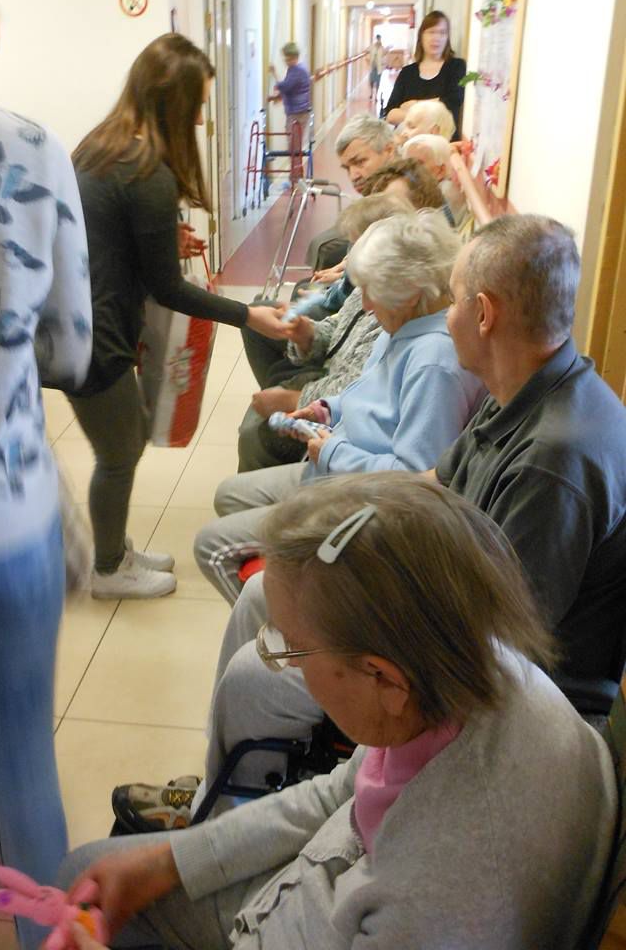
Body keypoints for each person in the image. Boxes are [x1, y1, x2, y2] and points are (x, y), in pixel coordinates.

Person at [127, 213, 626, 828]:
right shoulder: (524, 393)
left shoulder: (555, 460)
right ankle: (220, 789)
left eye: (454, 300)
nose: (445, 316)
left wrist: (361, 612)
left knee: (256, 679)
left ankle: (224, 815)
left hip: (497, 685)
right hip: (466, 614)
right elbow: (432, 482)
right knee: (269, 590)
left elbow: (502, 642)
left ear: (484, 314)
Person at [59, 474, 617, 950]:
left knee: (74, 883)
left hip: (327, 903)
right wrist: (169, 862)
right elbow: (341, 792)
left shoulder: (434, 905)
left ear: (383, 679)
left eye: (295, 649)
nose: (285, 663)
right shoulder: (469, 665)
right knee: (88, 876)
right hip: (329, 875)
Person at [69, 34, 289, 601]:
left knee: (125, 441)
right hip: (98, 333)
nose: (198, 119)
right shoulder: (147, 170)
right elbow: (168, 290)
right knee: (120, 452)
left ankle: (114, 549)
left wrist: (162, 240)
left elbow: (105, 234)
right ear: (171, 100)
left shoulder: (101, 145)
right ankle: (109, 569)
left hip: (80, 318)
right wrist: (249, 315)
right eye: (196, 105)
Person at [0, 0, 92, 948]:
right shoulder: (33, 151)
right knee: (18, 764)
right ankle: (48, 933)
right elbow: (71, 347)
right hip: (2, 515)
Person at [193, 209, 484, 606]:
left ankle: (288, 624)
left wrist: (332, 452)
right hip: (340, 471)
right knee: (230, 494)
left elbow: (416, 483)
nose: (365, 305)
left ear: (412, 290)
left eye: (372, 292)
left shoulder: (433, 362)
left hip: (368, 506)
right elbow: (367, 393)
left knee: (211, 546)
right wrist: (328, 409)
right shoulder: (401, 326)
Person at [238, 194, 413, 473]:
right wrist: (307, 334)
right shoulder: (368, 285)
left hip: (340, 413)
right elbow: (338, 325)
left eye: (356, 245)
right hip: (329, 382)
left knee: (253, 436)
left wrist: (296, 399)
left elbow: (359, 387)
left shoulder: (394, 316)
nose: (348, 257)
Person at [242, 114, 397, 389]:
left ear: (389, 150)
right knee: (301, 290)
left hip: (352, 312)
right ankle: (289, 381)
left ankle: (288, 391)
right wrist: (341, 270)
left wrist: (326, 293)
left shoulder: (396, 201)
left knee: (257, 317)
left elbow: (358, 289)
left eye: (360, 162)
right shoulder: (376, 198)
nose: (354, 175)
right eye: (347, 167)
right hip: (348, 301)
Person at [383, 10, 466, 140]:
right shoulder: (407, 73)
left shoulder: (456, 66)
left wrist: (413, 106)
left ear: (447, 38)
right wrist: (435, 106)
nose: (436, 38)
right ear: (421, 36)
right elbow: (390, 114)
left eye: (442, 33)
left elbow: (453, 101)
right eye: (431, 32)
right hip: (409, 144)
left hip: (444, 145)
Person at [403, 133, 467, 226]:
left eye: (418, 164)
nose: (409, 169)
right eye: (407, 163)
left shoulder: (446, 194)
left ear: (440, 171)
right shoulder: (416, 190)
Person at [269, 42, 311, 182]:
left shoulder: (297, 70)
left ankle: (296, 178)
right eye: (285, 58)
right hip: (298, 112)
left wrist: (274, 74)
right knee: (295, 147)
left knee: (294, 147)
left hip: (297, 114)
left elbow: (286, 87)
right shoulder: (297, 69)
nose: (286, 61)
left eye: (288, 58)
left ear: (294, 57)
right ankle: (296, 177)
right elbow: (289, 89)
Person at [368, 33, 384, 103]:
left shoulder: (382, 48)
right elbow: (367, 51)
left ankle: (376, 96)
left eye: (379, 39)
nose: (378, 40)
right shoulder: (372, 47)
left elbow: (384, 56)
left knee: (378, 82)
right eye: (377, 39)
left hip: (379, 68)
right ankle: (371, 93)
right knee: (371, 81)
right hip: (372, 67)